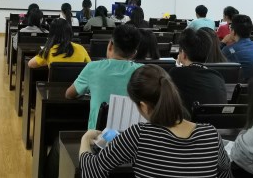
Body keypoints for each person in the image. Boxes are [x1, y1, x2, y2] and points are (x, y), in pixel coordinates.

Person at [79, 65, 231, 178]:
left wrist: (85, 139)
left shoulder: (139, 134)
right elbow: (225, 171)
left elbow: (92, 170)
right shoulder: (211, 134)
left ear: (144, 106)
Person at [66, 25, 143, 129]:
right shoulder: (142, 71)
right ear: (134, 53)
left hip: (97, 135)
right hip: (132, 135)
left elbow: (69, 94)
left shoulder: (92, 68)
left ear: (110, 44)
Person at [169, 29, 227, 111]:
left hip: (190, 119)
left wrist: (178, 66)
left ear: (183, 54)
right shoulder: (217, 76)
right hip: (216, 119)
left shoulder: (176, 73)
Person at [221, 14, 253, 81]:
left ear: (233, 31)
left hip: (242, 86)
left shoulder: (228, 50)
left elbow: (217, 63)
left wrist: (223, 42)